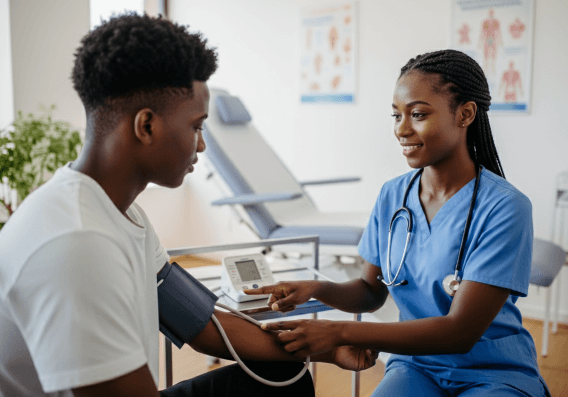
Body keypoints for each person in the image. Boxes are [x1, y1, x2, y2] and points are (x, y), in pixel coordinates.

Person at [0, 14, 378, 397]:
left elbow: (200, 322)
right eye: (196, 127)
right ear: (146, 126)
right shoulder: (76, 242)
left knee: (286, 375)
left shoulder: (124, 214)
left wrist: (327, 349)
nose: (201, 145)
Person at [246, 49, 550, 396]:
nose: (401, 130)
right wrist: (317, 289)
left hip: (493, 370)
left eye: (418, 114)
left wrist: (340, 332)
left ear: (465, 114)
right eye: (396, 115)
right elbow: (371, 292)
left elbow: (460, 332)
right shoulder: (393, 196)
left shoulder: (505, 207)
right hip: (417, 364)